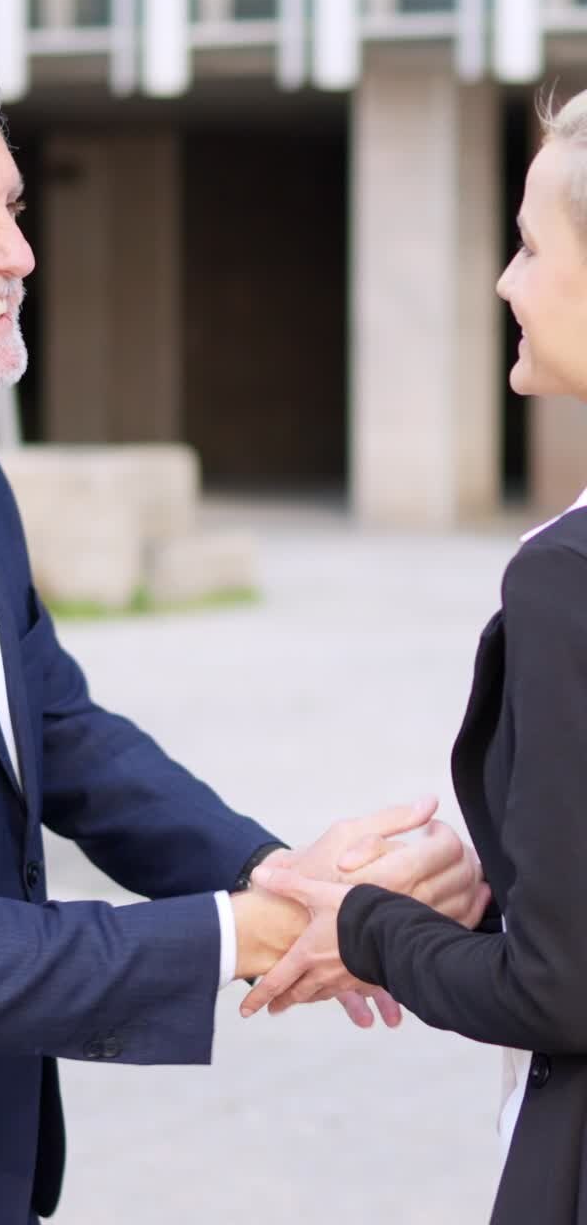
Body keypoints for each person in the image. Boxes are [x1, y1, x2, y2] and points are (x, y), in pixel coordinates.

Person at [0, 28, 487, 1225]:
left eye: (14, 202)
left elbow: (58, 723)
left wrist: (268, 870)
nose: (19, 250)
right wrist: (240, 933)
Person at [241, 87, 587, 1224]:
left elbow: (558, 986)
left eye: (534, 245)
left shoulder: (568, 576)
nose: (506, 280)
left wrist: (368, 926)